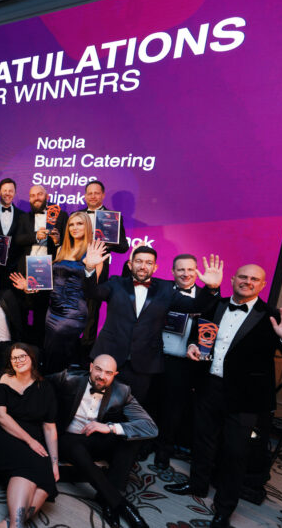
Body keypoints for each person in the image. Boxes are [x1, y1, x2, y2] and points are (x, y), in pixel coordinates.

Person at [165, 264, 282, 528]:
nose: (247, 282)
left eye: (254, 279)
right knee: (202, 440)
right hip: (209, 386)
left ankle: (224, 508)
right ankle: (197, 485)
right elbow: (197, 332)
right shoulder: (215, 304)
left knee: (235, 453)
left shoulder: (272, 316)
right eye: (243, 277)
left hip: (245, 397)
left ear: (262, 285)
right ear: (233, 279)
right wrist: (192, 344)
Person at [82, 244, 223, 401]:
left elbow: (195, 306)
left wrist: (211, 288)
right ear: (130, 264)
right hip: (109, 358)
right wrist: (89, 269)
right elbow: (92, 292)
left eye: (148, 263)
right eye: (138, 261)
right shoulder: (116, 282)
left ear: (155, 267)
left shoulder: (165, 289)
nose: (143, 266)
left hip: (144, 363)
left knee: (132, 408)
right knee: (95, 403)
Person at [49, 354, 157, 528]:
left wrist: (110, 427)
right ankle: (123, 506)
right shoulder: (68, 378)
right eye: (98, 369)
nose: (102, 376)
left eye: (108, 373)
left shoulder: (122, 391)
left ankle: (107, 500)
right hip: (67, 440)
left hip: (94, 439)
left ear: (115, 375)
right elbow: (35, 383)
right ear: (91, 367)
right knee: (74, 447)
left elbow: (150, 427)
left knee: (132, 438)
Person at [10, 212, 103, 374]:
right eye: (71, 224)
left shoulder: (93, 252)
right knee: (49, 354)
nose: (74, 228)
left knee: (58, 359)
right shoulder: (62, 249)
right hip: (53, 311)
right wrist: (30, 285)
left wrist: (89, 267)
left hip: (72, 313)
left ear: (87, 226)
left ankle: (55, 385)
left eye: (79, 224)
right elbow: (51, 282)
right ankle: (50, 385)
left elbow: (91, 291)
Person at [0, 343, 59, 528]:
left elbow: (49, 427)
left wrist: (55, 462)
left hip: (31, 437)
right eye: (14, 358)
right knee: (29, 465)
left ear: (32, 358)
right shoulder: (0, 379)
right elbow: (1, 417)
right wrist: (30, 442)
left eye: (23, 356)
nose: (18, 361)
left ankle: (6, 525)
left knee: (46, 474)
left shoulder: (45, 387)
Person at [154, 254, 202, 469]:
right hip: (154, 356)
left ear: (196, 271)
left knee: (173, 410)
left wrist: (195, 343)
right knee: (150, 403)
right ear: (173, 272)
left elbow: (208, 333)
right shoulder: (161, 291)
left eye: (190, 269)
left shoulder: (205, 299)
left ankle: (163, 450)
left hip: (182, 363)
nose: (185, 274)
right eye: (181, 269)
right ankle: (143, 445)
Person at [78, 180, 129, 355]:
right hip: (75, 269)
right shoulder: (76, 215)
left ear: (103, 195)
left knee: (92, 313)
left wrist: (106, 240)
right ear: (85, 196)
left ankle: (86, 356)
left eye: (96, 193)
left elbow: (123, 246)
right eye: (89, 193)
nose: (93, 196)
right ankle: (68, 353)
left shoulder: (113, 218)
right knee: (71, 309)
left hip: (98, 272)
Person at [13, 184, 67, 346]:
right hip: (25, 269)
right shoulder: (23, 217)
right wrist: (36, 236)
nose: (36, 198)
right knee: (22, 310)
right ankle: (20, 347)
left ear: (47, 196)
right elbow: (17, 240)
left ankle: (38, 349)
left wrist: (57, 241)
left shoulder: (61, 216)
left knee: (41, 312)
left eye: (39, 194)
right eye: (32, 195)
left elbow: (67, 243)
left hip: (48, 269)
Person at [0, 179, 24, 290]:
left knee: (7, 298)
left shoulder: (22, 216)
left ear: (15, 193)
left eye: (11, 191)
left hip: (12, 268)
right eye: (5, 190)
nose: (7, 193)